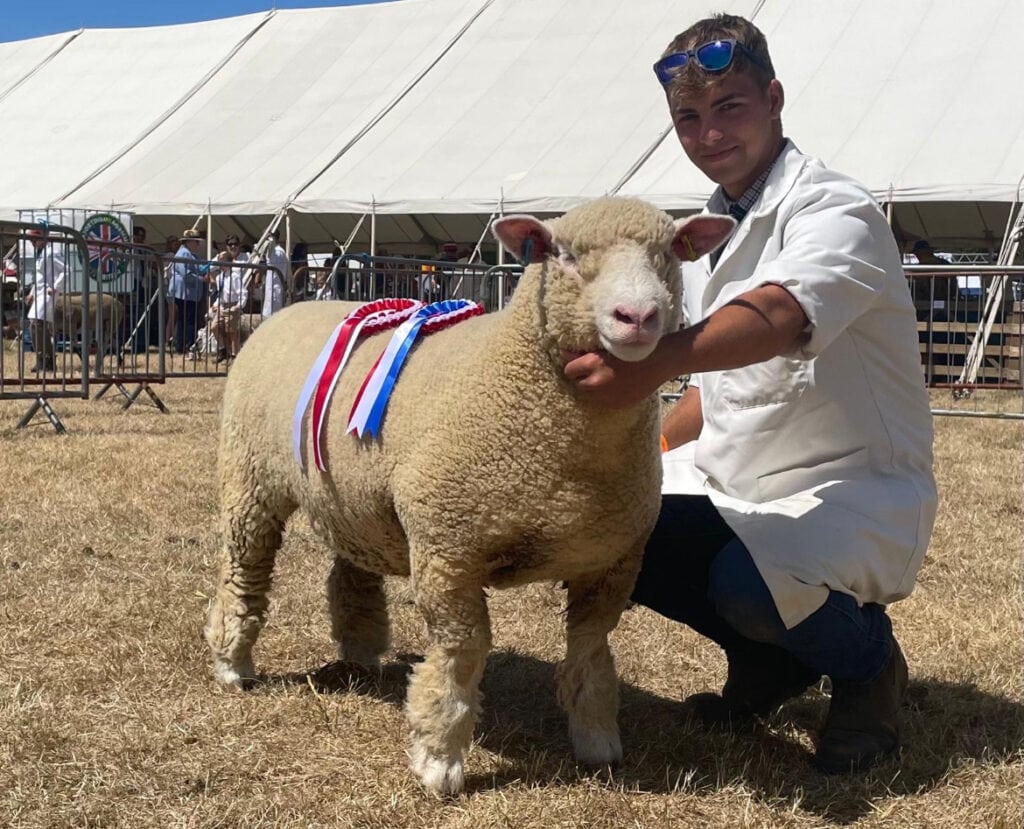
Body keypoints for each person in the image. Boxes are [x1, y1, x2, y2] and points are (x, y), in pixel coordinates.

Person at [563, 14, 937, 774]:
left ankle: (869, 666)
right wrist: (630, 454)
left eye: (729, 107)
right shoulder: (709, 235)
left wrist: (644, 364)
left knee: (750, 583)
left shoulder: (836, 211)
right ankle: (770, 662)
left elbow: (778, 315)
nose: (708, 134)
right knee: (605, 527)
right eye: (688, 118)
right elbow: (716, 385)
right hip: (738, 478)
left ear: (774, 99)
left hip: (847, 487)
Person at [24, 223, 66, 373]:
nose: (32, 243)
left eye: (34, 240)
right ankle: (42, 358)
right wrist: (32, 293)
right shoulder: (41, 252)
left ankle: (47, 360)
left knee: (37, 323)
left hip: (49, 293)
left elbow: (66, 270)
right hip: (41, 293)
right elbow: (40, 277)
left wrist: (56, 287)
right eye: (30, 241)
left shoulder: (52, 251)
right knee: (34, 325)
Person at [167, 228, 206, 353]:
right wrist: (201, 279)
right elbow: (186, 274)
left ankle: (183, 345)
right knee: (188, 320)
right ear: (189, 242)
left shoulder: (191, 254)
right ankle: (186, 345)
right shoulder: (184, 254)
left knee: (185, 319)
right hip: (185, 293)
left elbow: (199, 268)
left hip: (189, 293)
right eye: (196, 242)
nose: (198, 244)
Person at [208, 249, 247, 363]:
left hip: (233, 305)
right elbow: (220, 294)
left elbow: (242, 292)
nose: (220, 265)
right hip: (223, 305)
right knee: (214, 327)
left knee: (231, 331)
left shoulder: (234, 277)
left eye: (222, 262)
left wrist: (239, 306)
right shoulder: (220, 277)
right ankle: (223, 351)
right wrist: (215, 304)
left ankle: (235, 355)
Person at [260, 229, 290, 319]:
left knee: (270, 317)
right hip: (275, 289)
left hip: (273, 291)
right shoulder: (281, 251)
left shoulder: (275, 252)